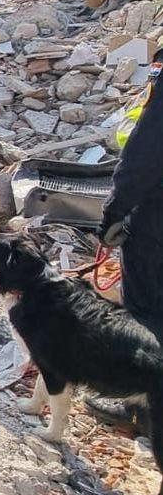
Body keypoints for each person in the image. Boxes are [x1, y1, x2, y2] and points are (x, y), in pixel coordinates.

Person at [94, 48, 163, 426]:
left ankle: (140, 409)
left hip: (156, 215)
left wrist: (116, 210)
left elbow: (148, 150)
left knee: (147, 310)